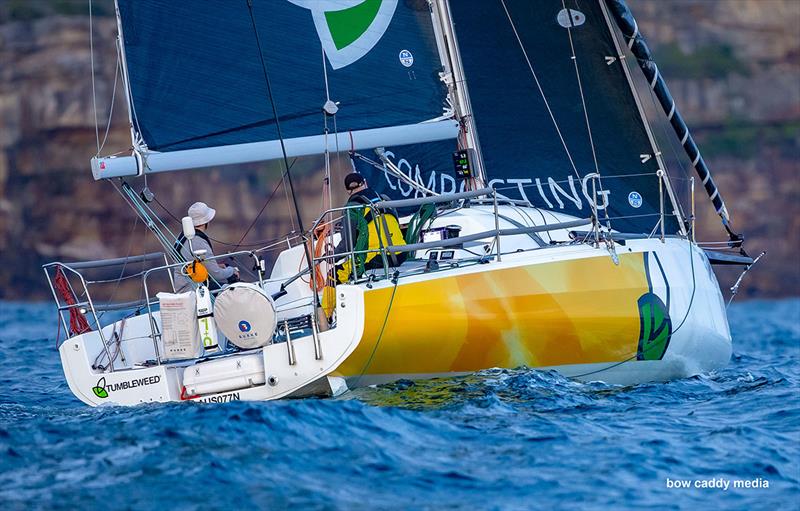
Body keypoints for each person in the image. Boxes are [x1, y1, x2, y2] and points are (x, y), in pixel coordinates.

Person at [334, 173, 406, 283]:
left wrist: (332, 257)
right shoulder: (384, 200)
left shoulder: (352, 208)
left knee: (334, 275)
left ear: (348, 191)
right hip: (401, 254)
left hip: (377, 258)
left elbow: (347, 245)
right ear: (365, 183)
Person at [173, 202, 239, 292]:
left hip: (183, 287)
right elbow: (216, 274)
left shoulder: (183, 235)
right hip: (194, 289)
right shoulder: (199, 242)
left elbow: (193, 264)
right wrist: (232, 271)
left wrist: (217, 266)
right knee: (235, 290)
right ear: (206, 221)